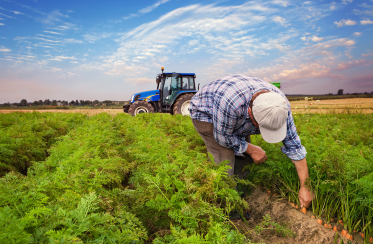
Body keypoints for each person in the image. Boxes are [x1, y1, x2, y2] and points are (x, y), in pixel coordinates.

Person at [189, 74, 312, 208]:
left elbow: (295, 147)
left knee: (245, 158)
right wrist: (252, 149)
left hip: (234, 114)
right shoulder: (231, 104)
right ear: (250, 112)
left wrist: (305, 187)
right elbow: (223, 138)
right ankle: (228, 208)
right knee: (224, 160)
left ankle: (239, 196)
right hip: (207, 113)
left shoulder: (280, 106)